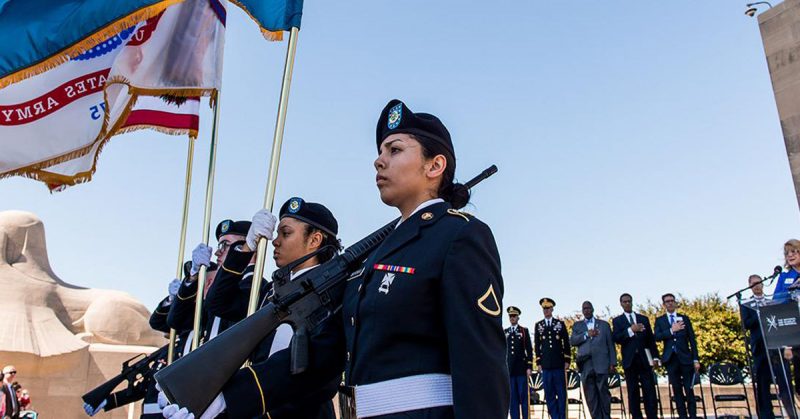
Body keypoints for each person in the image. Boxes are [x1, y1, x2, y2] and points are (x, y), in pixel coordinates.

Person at [163, 198, 343, 419]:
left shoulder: (335, 292)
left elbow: (317, 373)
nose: (275, 241)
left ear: (315, 240)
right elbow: (218, 303)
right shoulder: (272, 293)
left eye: (285, 233)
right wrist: (246, 248)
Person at [741, 274, 797, 419]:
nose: (757, 286)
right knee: (763, 382)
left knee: (784, 380)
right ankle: (766, 414)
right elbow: (746, 324)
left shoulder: (772, 301)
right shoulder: (746, 304)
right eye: (753, 284)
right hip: (759, 347)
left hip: (775, 347)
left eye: (759, 283)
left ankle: (791, 412)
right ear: (749, 285)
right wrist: (760, 313)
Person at [612, 293, 659, 419]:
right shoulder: (617, 321)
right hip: (630, 360)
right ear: (621, 303)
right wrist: (630, 330)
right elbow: (617, 338)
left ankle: (652, 415)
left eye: (629, 301)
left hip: (644, 359)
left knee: (649, 390)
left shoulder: (643, 319)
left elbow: (650, 340)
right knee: (633, 392)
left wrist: (655, 357)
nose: (627, 303)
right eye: (624, 302)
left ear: (632, 302)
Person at [654, 293, 699, 419]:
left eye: (672, 301)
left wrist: (695, 359)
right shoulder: (660, 320)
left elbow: (692, 339)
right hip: (671, 359)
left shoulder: (684, 318)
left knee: (689, 389)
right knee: (677, 390)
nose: (670, 303)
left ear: (675, 302)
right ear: (664, 304)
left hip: (685, 358)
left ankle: (693, 416)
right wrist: (671, 330)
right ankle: (682, 416)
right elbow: (656, 337)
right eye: (667, 301)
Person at [570, 301, 616, 419]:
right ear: (582, 311)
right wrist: (586, 334)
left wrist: (612, 363)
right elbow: (573, 341)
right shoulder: (578, 326)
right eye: (584, 309)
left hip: (601, 363)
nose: (586, 310)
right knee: (591, 396)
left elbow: (610, 344)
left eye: (588, 308)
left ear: (593, 309)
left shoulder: (604, 325)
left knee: (603, 393)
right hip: (586, 364)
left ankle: (606, 417)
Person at [534, 298, 570, 419]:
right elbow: (537, 345)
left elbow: (566, 342)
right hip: (546, 365)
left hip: (558, 364)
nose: (546, 311)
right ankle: (554, 416)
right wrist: (538, 362)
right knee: (549, 394)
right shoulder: (539, 325)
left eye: (548, 308)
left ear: (552, 309)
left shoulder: (559, 324)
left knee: (561, 393)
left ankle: (561, 416)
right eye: (544, 308)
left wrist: (567, 360)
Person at [506, 306, 533, 419]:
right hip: (510, 370)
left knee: (523, 397)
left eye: (514, 316)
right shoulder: (505, 332)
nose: (512, 318)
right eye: (510, 316)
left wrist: (529, 366)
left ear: (518, 317)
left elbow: (529, 349)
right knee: (513, 399)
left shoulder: (523, 331)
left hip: (521, 369)